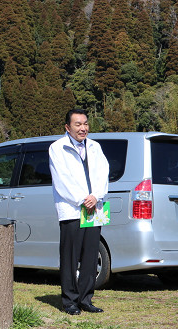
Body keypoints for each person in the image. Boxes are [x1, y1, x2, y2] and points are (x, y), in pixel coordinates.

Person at [49, 108, 109, 315]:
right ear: (67, 127)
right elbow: (61, 179)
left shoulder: (95, 146)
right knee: (70, 256)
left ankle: (86, 299)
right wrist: (82, 199)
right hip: (72, 208)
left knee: (91, 255)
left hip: (95, 207)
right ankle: (70, 301)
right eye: (78, 124)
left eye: (85, 124)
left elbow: (103, 173)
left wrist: (97, 196)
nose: (83, 128)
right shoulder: (57, 148)